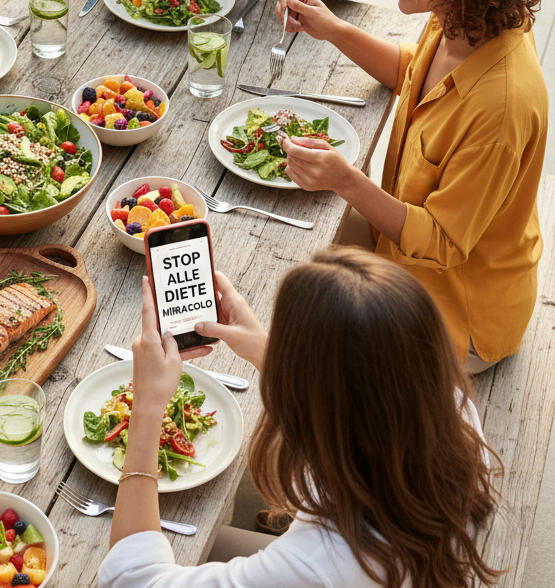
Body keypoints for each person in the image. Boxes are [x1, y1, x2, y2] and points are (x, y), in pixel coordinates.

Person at [276, 0, 548, 371]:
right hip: (400, 245)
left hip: (454, 311)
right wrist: (332, 28)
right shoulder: (464, 13)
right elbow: (413, 71)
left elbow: (441, 242)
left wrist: (346, 180)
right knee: (293, 260)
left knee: (309, 345)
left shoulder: (503, 104)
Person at [102, 248, 501, 588]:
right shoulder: (446, 405)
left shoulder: (317, 565)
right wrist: (266, 351)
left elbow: (131, 578)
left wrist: (148, 408)